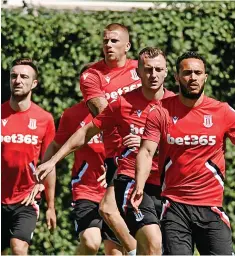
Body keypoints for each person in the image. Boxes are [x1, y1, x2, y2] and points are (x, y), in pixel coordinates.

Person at [35, 47, 175, 255]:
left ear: (166, 71)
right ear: (138, 72)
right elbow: (85, 133)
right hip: (127, 180)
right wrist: (52, 161)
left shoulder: (176, 105)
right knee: (137, 239)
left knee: (162, 248)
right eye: (147, 70)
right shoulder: (120, 104)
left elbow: (188, 146)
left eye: (158, 69)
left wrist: (150, 144)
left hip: (166, 183)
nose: (153, 75)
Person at [131, 51, 235, 255]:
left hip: (211, 206)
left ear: (205, 76)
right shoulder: (160, 111)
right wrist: (139, 186)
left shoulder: (222, 112)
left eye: (198, 73)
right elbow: (146, 151)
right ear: (177, 77)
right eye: (187, 73)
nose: (193, 78)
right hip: (174, 207)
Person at [32, 64, 123, 255]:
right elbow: (55, 146)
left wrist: (116, 168)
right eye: (85, 82)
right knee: (91, 242)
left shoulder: (118, 111)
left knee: (114, 251)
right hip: (86, 189)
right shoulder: (72, 115)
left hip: (115, 187)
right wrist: (41, 174)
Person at [79, 23, 140, 254]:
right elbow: (106, 115)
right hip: (117, 154)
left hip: (148, 149)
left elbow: (159, 102)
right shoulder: (91, 75)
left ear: (127, 46)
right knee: (113, 236)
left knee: (114, 211)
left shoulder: (141, 69)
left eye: (114, 41)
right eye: (105, 40)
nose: (108, 45)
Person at [1, 58, 56, 255]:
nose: (18, 80)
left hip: (27, 199)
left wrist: (51, 206)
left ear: (34, 83)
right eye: (14, 76)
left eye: (24, 77)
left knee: (19, 246)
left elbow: (49, 164)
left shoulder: (45, 119)